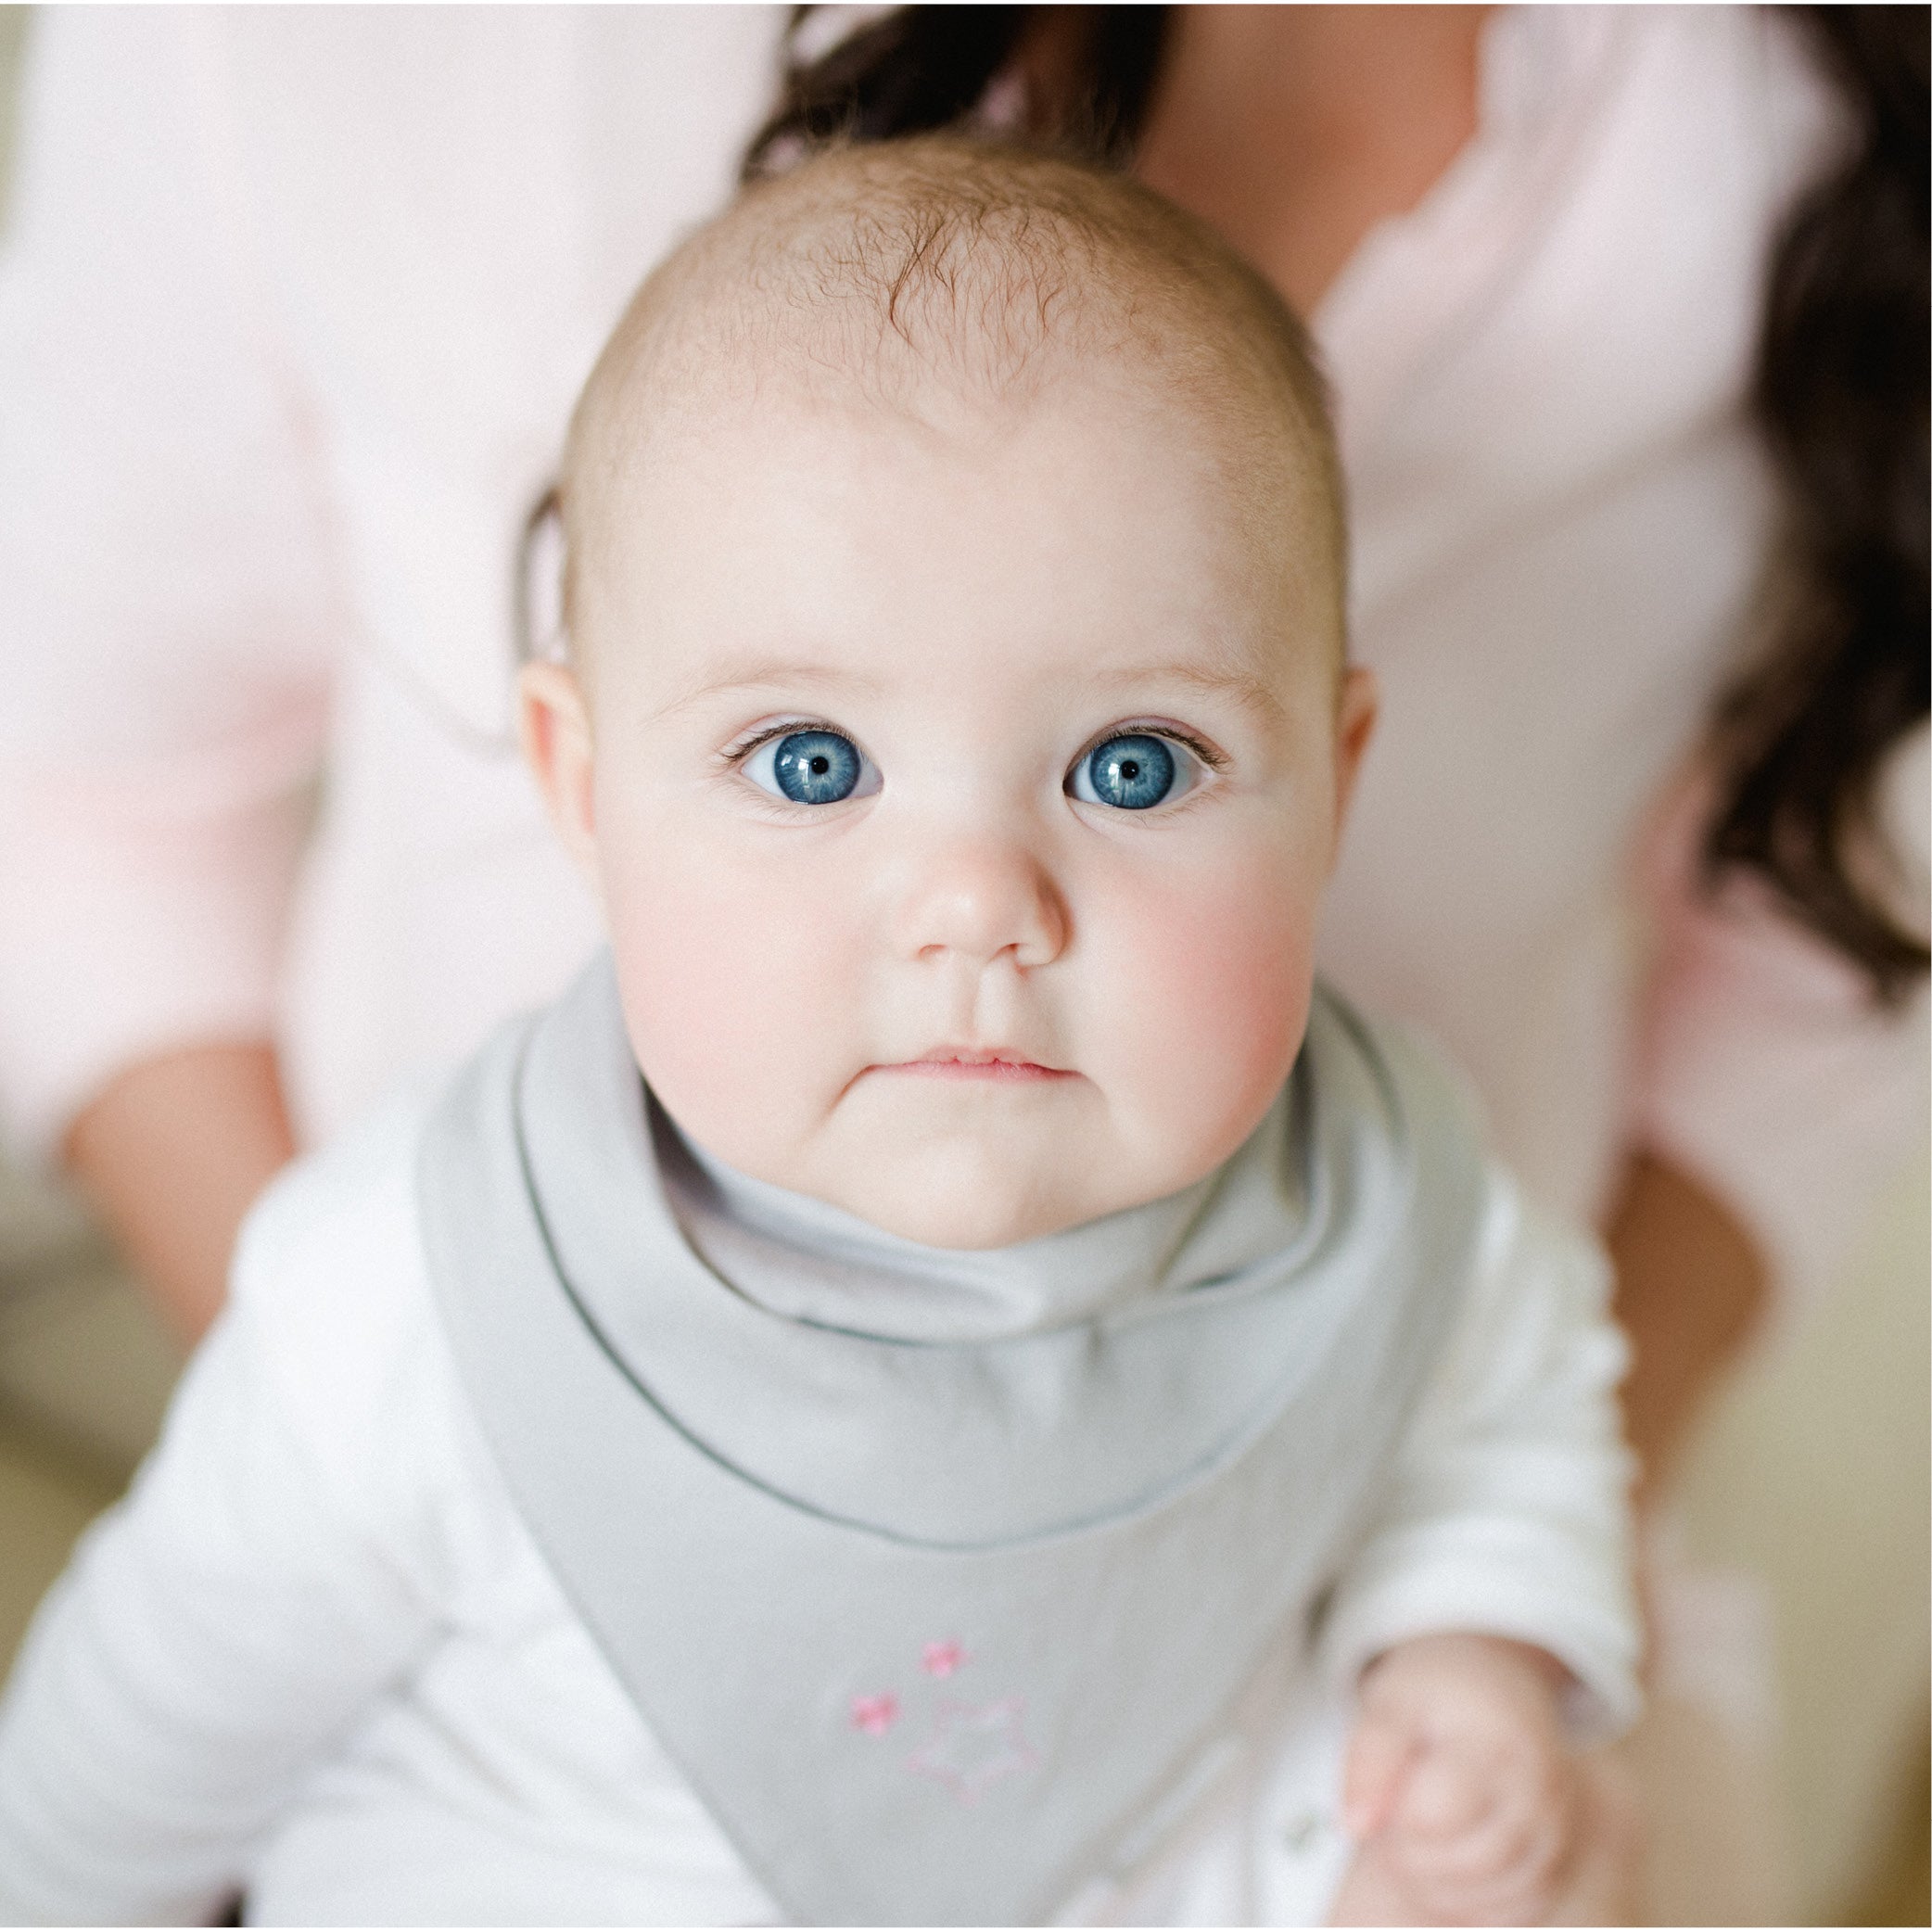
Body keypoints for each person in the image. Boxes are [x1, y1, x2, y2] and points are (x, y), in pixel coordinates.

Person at [0, 139, 1640, 1927]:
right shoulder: (421, 1291)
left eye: (1132, 766)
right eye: (809, 764)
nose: (976, 902)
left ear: (1332, 782)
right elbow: (117, 1779)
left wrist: (1470, 1648)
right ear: (583, 790)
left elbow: (1502, 1435)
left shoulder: (1397, 1207)